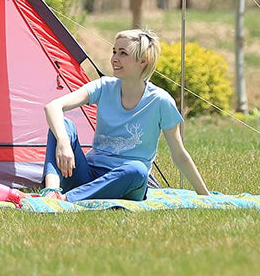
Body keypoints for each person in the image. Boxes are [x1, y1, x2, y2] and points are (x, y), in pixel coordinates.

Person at [42, 29, 210, 202]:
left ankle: (66, 199)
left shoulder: (160, 101)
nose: (115, 58)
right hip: (88, 175)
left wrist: (205, 196)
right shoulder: (104, 87)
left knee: (137, 170)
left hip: (127, 183)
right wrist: (63, 140)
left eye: (123, 54)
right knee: (64, 125)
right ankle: (51, 192)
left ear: (143, 61)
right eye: (114, 51)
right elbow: (53, 106)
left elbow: (179, 155)